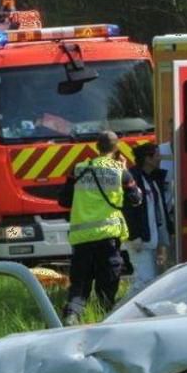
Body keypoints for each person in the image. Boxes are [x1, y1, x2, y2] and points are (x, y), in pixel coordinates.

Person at [62, 131, 141, 324]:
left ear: (97, 148)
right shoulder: (119, 171)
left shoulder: (79, 169)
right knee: (107, 284)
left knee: (80, 285)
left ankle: (71, 317)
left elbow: (64, 200)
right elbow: (136, 199)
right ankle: (104, 320)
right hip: (107, 236)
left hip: (81, 238)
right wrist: (123, 168)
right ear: (116, 149)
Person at [122, 142, 171, 297]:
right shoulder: (133, 179)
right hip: (139, 241)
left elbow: (158, 212)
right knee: (144, 282)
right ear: (148, 159)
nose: (160, 159)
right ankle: (120, 315)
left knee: (149, 282)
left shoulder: (152, 178)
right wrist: (134, 236)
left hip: (150, 240)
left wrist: (162, 242)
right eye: (157, 156)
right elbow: (128, 210)